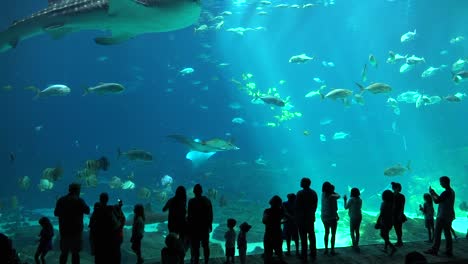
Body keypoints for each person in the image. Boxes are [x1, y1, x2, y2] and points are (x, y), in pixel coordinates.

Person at [54, 183, 90, 264]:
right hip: (76, 232)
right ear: (78, 190)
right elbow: (87, 211)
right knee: (75, 253)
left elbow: (56, 213)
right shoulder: (79, 200)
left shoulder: (61, 200)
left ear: (69, 190)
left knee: (64, 253)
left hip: (64, 231)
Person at [424, 176, 456, 257]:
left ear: (444, 182)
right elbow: (441, 198)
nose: (440, 184)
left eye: (441, 182)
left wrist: (431, 194)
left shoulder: (446, 192)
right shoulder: (451, 191)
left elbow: (436, 201)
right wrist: (434, 193)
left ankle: (434, 249)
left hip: (442, 215)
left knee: (437, 233)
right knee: (447, 233)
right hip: (449, 215)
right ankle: (449, 251)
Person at [187, 184, 213, 264]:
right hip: (204, 227)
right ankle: (206, 261)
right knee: (205, 246)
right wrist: (210, 225)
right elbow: (210, 214)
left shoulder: (191, 201)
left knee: (196, 247)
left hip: (194, 228)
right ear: (202, 191)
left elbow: (190, 216)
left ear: (194, 192)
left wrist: (189, 227)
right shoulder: (207, 200)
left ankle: (196, 261)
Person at [295, 177, 318, 262]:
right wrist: (311, 213)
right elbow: (315, 206)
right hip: (310, 217)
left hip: (301, 219)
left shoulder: (300, 193)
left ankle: (304, 255)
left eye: (301, 181)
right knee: (312, 235)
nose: (300, 183)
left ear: (305, 183)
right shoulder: (314, 193)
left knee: (303, 236)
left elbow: (297, 206)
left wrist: (297, 217)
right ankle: (313, 253)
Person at [262, 195, 286, 264]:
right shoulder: (281, 211)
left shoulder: (267, 211)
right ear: (280, 203)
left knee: (267, 251)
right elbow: (286, 217)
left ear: (270, 202)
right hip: (278, 233)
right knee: (279, 250)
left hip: (269, 233)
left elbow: (264, 221)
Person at [321, 182, 340, 256]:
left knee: (326, 232)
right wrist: (333, 191)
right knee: (333, 233)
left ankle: (326, 249)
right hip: (331, 217)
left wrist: (336, 214)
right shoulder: (332, 195)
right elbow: (339, 196)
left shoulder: (323, 194)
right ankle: (332, 250)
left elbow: (332, 206)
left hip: (324, 216)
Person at [376, 189, 396, 256]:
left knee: (382, 234)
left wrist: (378, 222)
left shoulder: (383, 203)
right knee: (386, 234)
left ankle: (392, 247)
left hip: (384, 221)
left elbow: (381, 214)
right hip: (390, 221)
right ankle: (385, 248)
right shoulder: (392, 203)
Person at [344, 187, 362, 252]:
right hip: (359, 216)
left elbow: (346, 207)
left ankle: (354, 245)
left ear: (352, 193)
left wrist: (345, 200)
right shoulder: (360, 199)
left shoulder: (351, 200)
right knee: (357, 230)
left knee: (352, 231)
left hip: (353, 217)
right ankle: (357, 244)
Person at [391, 182, 406, 247]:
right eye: (399, 187)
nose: (400, 188)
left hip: (398, 214)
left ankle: (400, 241)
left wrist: (401, 214)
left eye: (400, 187)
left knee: (399, 228)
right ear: (395, 188)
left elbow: (402, 206)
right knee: (396, 227)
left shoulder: (402, 196)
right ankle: (399, 241)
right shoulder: (391, 195)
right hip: (392, 214)